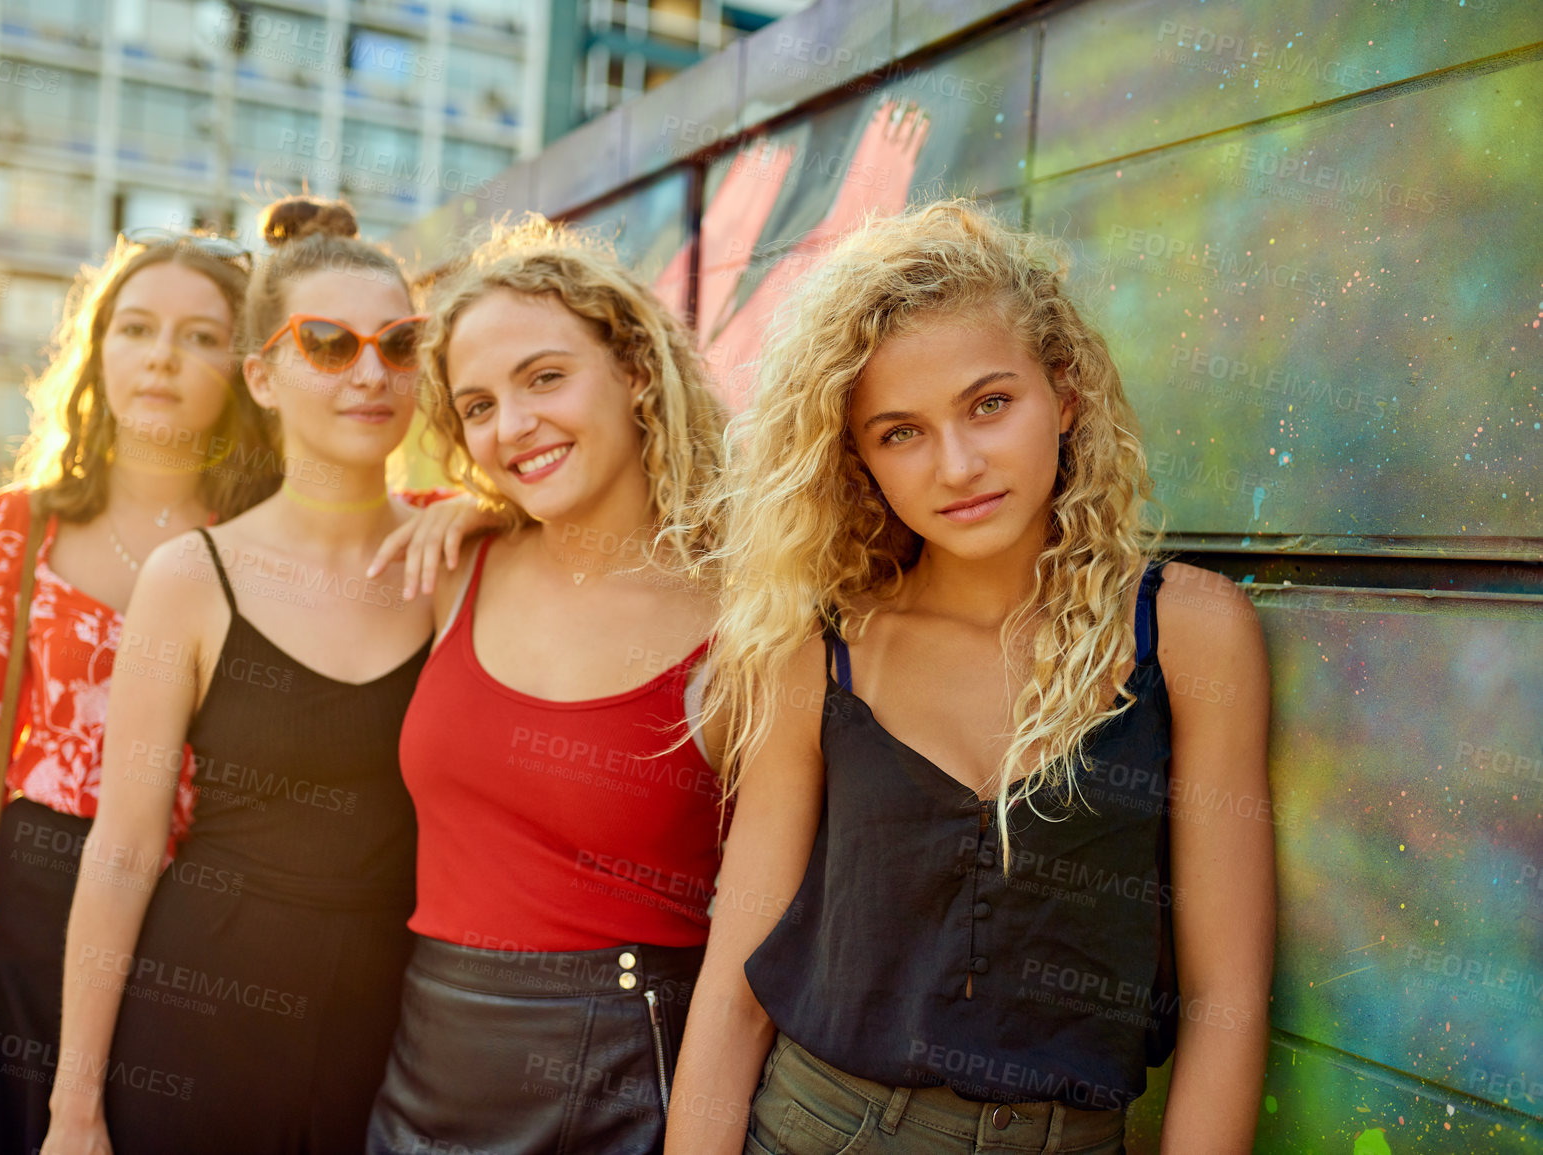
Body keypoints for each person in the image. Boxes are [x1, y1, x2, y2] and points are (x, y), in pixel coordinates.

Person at [668, 199, 1275, 1153]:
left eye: (989, 403)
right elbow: (736, 990)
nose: (957, 464)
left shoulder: (1189, 633)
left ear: (1064, 394)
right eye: (898, 432)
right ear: (857, 459)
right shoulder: (821, 647)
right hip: (819, 1127)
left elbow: (1227, 1000)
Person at [39, 196, 493, 1154]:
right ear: (264, 374)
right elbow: (122, 854)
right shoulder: (191, 578)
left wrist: (494, 515)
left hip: (399, 1040)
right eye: (327, 343)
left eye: (400, 344)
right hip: (197, 1026)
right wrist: (73, 1109)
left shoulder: (462, 563)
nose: (371, 373)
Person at [0, 228, 282, 1154]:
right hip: (28, 915)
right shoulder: (19, 529)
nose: (162, 355)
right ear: (98, 349)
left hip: (207, 924)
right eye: (136, 327)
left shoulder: (271, 541)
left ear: (246, 370)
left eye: (201, 337)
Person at [365, 219, 729, 1155]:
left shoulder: (746, 608)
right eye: (478, 405)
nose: (512, 426)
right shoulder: (451, 563)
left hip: (625, 1074)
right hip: (426, 1062)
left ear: (638, 369)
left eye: (545, 378)